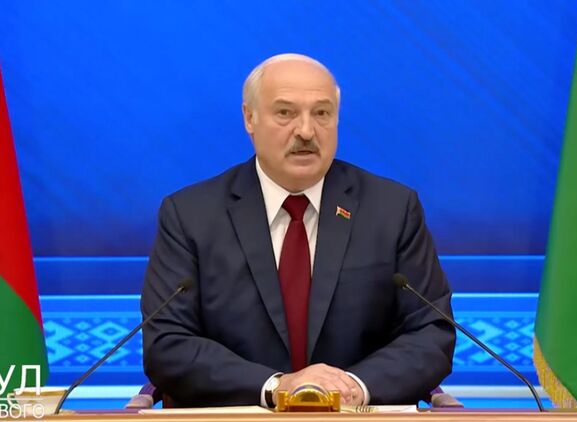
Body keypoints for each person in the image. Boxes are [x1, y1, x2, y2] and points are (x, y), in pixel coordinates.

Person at [141, 53, 455, 407]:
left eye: (321, 113)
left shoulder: (392, 210)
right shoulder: (191, 215)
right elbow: (167, 343)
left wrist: (350, 388)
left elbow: (431, 332)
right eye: (285, 113)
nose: (306, 131)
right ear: (249, 118)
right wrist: (276, 386)